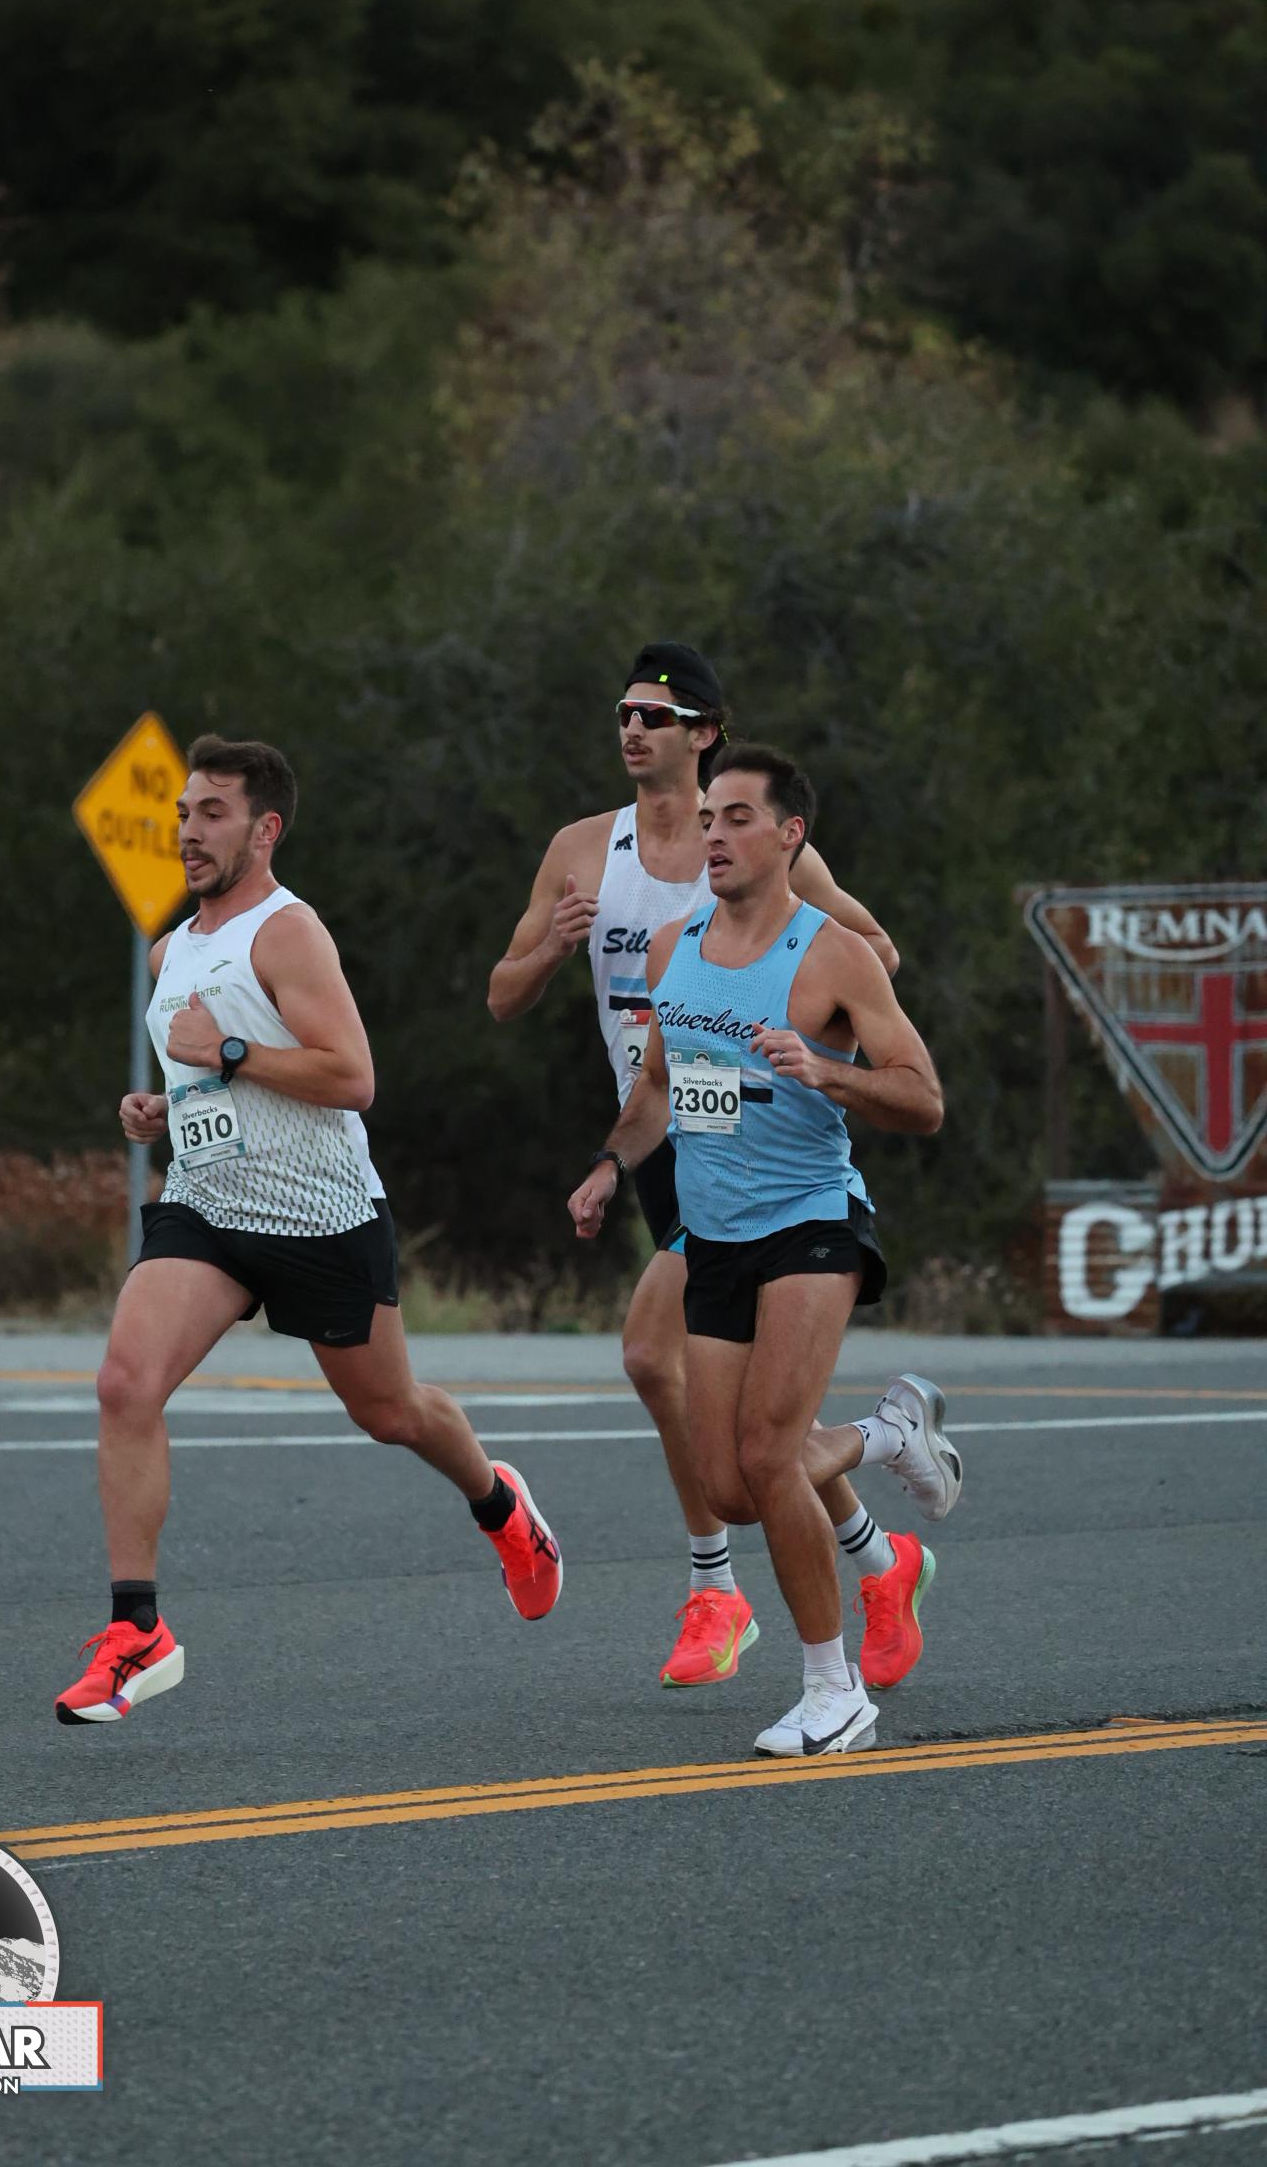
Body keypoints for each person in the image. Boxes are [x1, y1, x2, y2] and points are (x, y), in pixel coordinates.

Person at [57, 734, 562, 1725]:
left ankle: (500, 1505)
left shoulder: (288, 934)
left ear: (265, 829)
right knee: (124, 1383)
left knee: (393, 1414)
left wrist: (229, 1053)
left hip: (320, 1218)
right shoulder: (170, 951)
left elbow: (351, 1076)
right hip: (207, 1210)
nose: (189, 832)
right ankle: (137, 1630)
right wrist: (165, 1107)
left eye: (212, 814)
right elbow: (206, 1075)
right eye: (183, 814)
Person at [490, 644, 929, 1695]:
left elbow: (874, 954)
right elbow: (503, 995)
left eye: (654, 714)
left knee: (655, 1359)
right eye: (623, 712)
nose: (631, 728)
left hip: (752, 1147)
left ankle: (716, 1588)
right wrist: (551, 949)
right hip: (660, 1132)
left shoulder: (755, 844)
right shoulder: (582, 850)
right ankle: (879, 1557)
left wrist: (780, 1012)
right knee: (751, 1436)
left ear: (705, 732)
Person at [566, 742, 960, 1757]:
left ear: (790, 835)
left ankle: (833, 1690)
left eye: (737, 818)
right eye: (709, 819)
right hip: (715, 1238)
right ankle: (885, 1435)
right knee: (734, 1489)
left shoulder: (833, 954)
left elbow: (921, 1097)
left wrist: (831, 1075)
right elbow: (657, 1090)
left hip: (811, 1223)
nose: (714, 835)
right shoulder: (673, 949)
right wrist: (610, 1165)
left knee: (769, 1457)